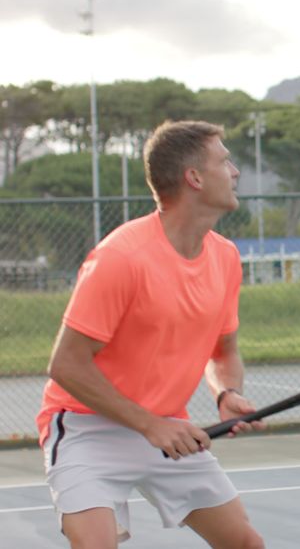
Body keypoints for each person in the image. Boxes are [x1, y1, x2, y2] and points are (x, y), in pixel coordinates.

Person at [37, 120, 266, 547]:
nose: (235, 172)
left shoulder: (226, 258)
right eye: (225, 161)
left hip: (165, 429)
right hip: (88, 429)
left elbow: (224, 351)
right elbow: (66, 365)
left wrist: (226, 392)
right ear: (194, 178)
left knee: (246, 544)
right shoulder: (121, 258)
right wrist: (149, 425)